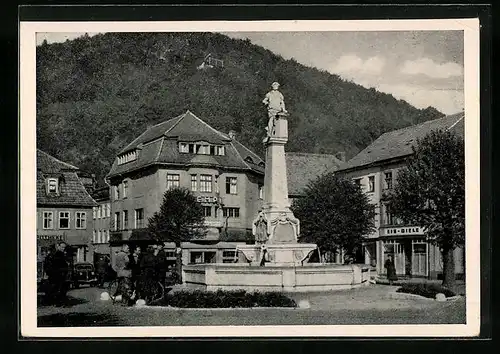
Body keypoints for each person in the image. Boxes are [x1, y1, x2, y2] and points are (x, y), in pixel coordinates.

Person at [45, 241, 69, 306]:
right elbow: (56, 265)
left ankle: (55, 302)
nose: (63, 248)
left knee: (57, 289)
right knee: (57, 289)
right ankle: (57, 302)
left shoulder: (61, 254)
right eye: (62, 247)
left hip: (58, 275)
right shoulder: (57, 255)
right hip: (57, 275)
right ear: (58, 246)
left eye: (64, 247)